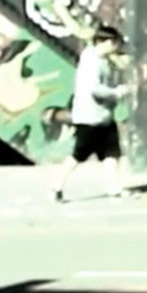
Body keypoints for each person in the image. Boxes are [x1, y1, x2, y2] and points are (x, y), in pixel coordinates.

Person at [55, 26, 129, 202]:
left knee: (111, 154)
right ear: (103, 42)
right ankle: (56, 186)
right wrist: (117, 92)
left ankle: (114, 189)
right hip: (89, 118)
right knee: (78, 156)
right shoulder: (91, 61)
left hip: (104, 116)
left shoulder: (101, 59)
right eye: (114, 43)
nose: (116, 47)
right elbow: (94, 89)